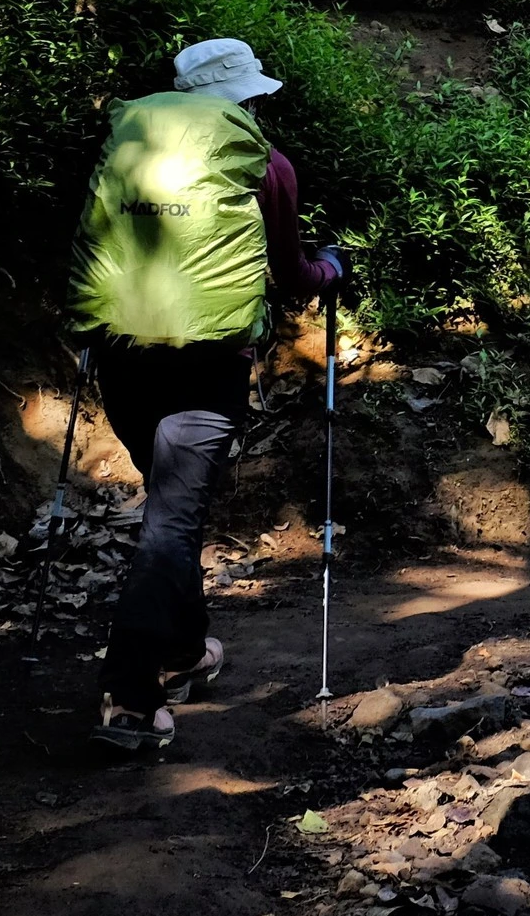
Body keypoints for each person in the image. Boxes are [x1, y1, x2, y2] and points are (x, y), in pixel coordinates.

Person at [68, 37, 343, 752]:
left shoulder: (129, 153)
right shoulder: (266, 164)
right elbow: (291, 274)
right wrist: (330, 271)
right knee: (172, 523)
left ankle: (185, 654)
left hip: (122, 358)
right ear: (243, 99)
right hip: (207, 365)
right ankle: (129, 697)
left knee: (169, 513)